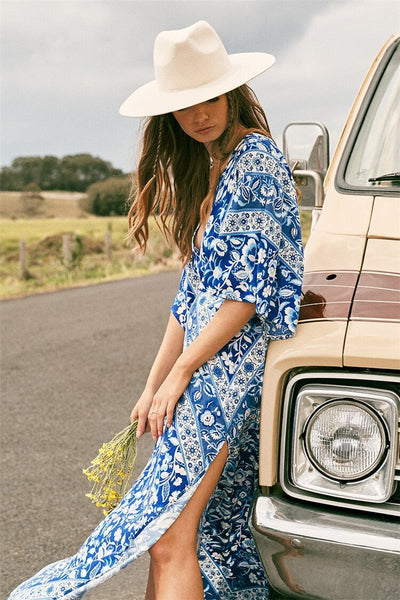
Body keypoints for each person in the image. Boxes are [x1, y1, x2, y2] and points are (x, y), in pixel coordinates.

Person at [9, 20, 303, 600]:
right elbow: (190, 299)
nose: (200, 116)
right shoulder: (212, 169)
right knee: (175, 535)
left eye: (209, 98)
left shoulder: (258, 162)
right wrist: (153, 383)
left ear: (233, 92)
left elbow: (243, 297)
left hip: (228, 373)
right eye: (185, 106)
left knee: (169, 536)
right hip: (205, 370)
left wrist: (182, 373)